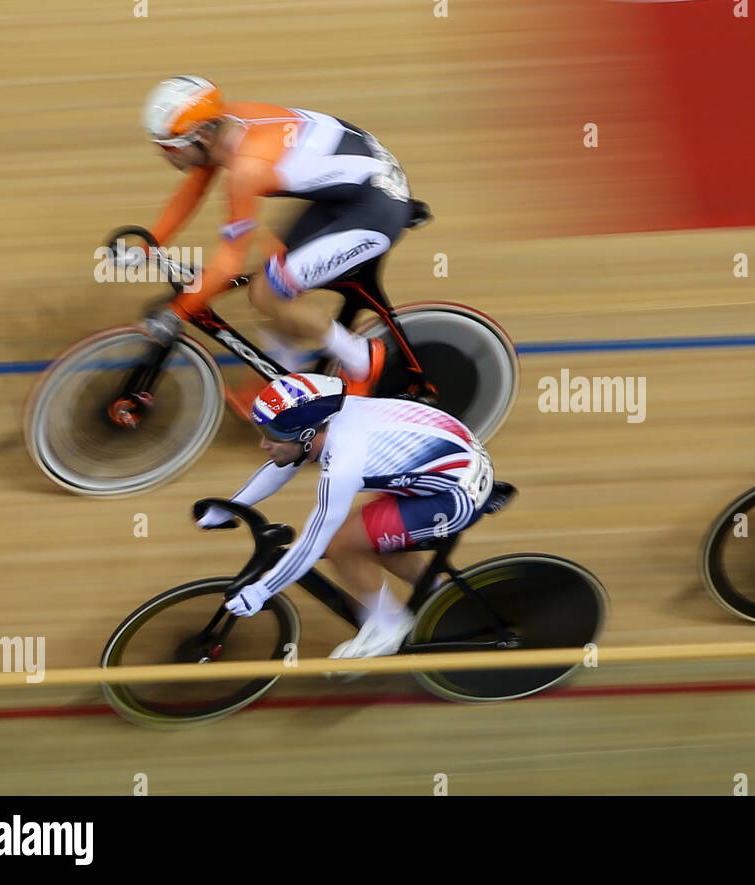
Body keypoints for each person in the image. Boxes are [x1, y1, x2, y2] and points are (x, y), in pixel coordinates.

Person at [137, 75, 416, 401]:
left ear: (200, 136)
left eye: (169, 146)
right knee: (271, 275)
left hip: (376, 210)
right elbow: (194, 188)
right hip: (350, 195)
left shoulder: (247, 168)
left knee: (269, 290)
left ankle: (363, 360)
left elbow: (229, 261)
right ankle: (286, 376)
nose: (164, 155)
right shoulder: (223, 126)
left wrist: (177, 312)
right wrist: (151, 243)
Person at [195, 372, 494, 660]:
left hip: (456, 496)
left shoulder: (344, 463)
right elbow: (282, 463)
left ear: (309, 434)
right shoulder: (327, 420)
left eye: (272, 436)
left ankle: (388, 626)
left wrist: (263, 590)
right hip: (452, 467)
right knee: (368, 538)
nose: (263, 444)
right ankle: (440, 599)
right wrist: (226, 508)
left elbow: (314, 542)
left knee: (341, 544)